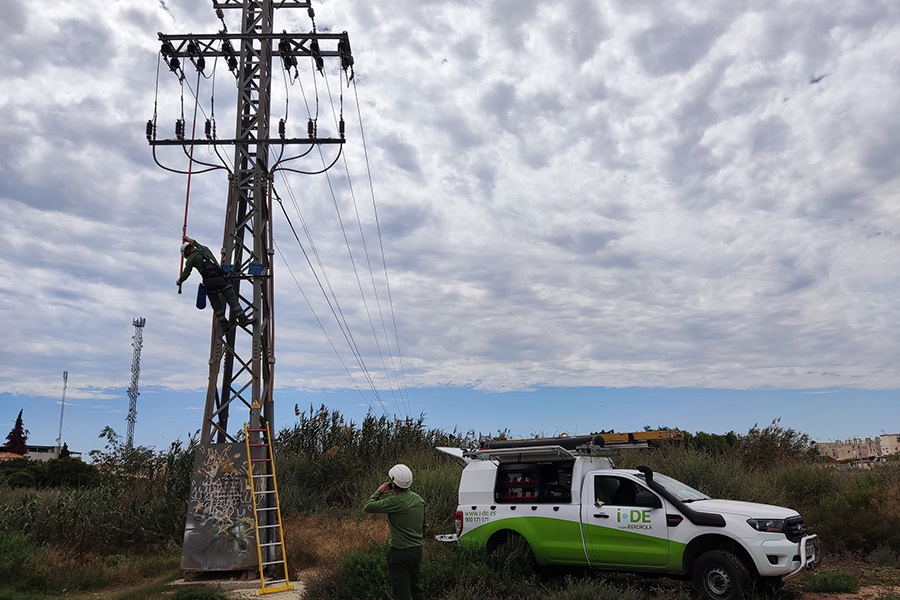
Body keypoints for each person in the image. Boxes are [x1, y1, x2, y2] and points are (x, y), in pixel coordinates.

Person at [364, 464, 427, 600]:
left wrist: (379, 491)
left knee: (401, 591)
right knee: (416, 587)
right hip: (416, 551)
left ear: (393, 484)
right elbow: (424, 526)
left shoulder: (394, 501)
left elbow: (368, 506)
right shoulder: (419, 500)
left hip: (399, 552)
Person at [177, 235, 251, 332]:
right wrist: (187, 239)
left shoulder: (191, 259)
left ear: (187, 251)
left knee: (216, 305)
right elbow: (195, 242)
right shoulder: (204, 249)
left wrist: (179, 281)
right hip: (220, 278)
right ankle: (243, 319)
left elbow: (186, 273)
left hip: (209, 282)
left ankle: (224, 325)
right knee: (232, 299)